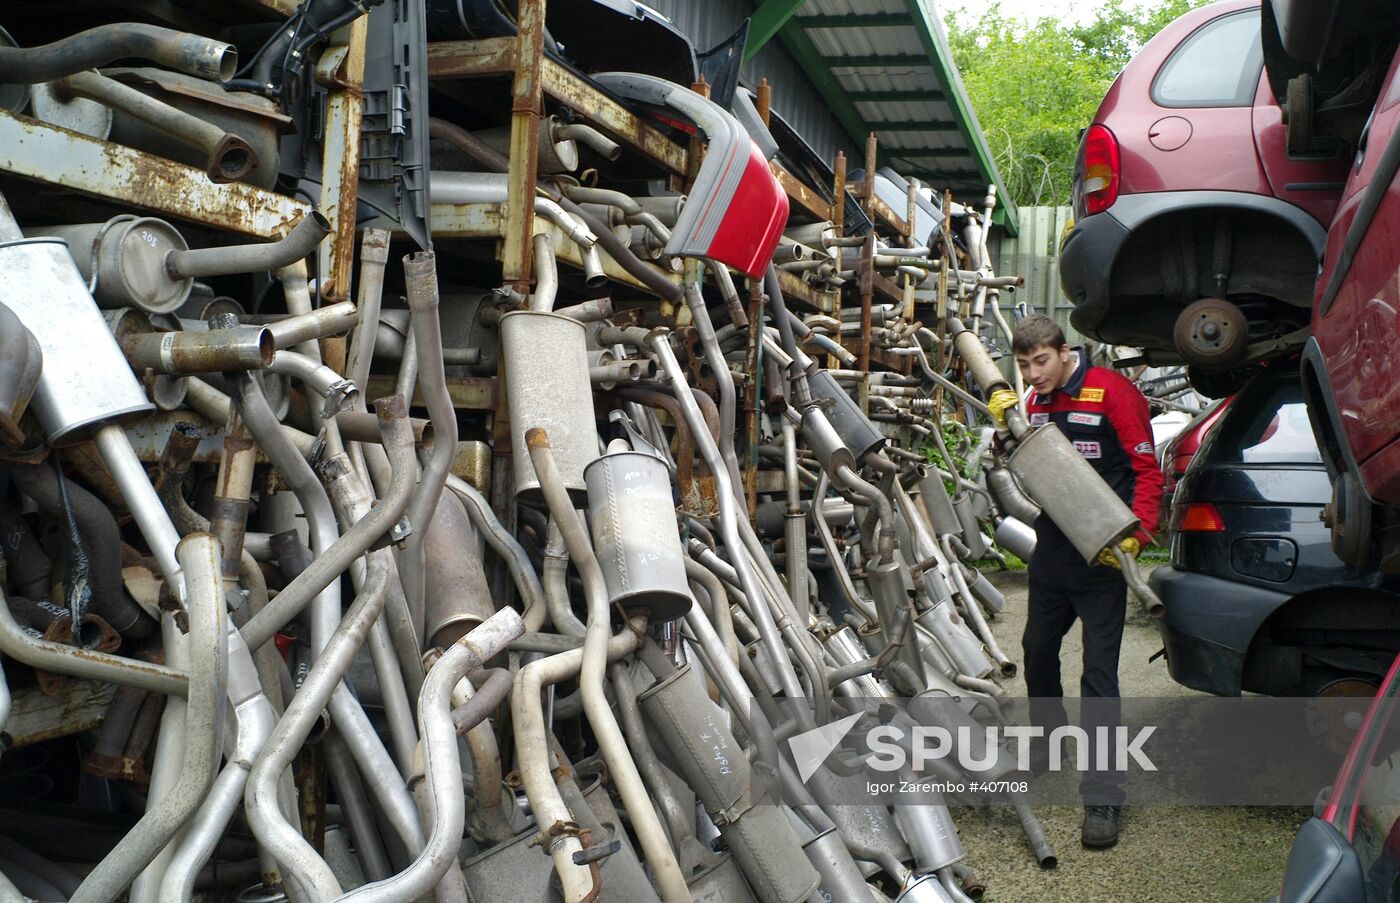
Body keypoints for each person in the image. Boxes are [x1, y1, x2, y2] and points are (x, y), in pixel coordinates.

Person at [989, 314, 1163, 850]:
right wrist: (1003, 432)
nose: (1033, 374)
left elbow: (1147, 471)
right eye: (1022, 365)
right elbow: (1029, 468)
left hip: (1104, 556)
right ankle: (1046, 746)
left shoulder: (1112, 392)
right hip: (1054, 553)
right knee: (1037, 651)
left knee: (1098, 675)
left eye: (1040, 361)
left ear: (1065, 353)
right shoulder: (1035, 403)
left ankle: (1105, 795)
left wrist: (1139, 534)